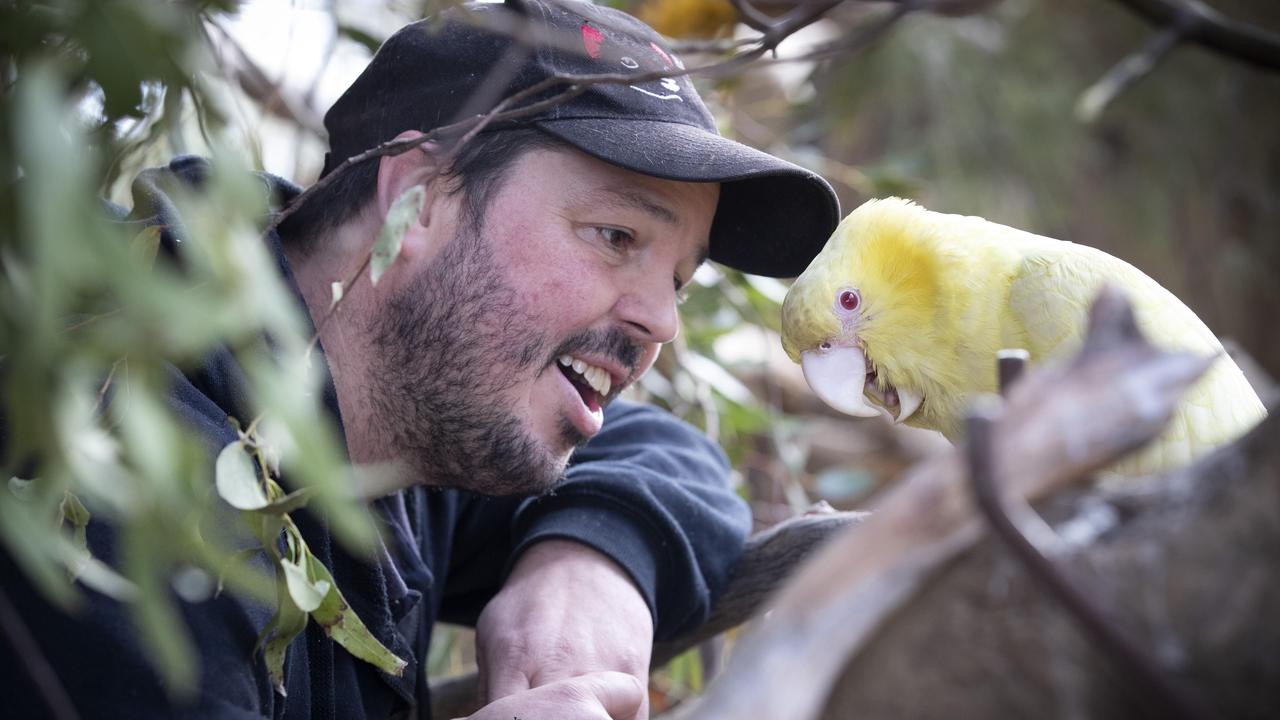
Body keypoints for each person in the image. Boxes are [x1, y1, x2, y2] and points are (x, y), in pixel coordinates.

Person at [0, 0, 839, 718]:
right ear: (416, 199)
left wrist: (593, 558)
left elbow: (662, 452)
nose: (658, 322)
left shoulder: (410, 418)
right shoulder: (132, 508)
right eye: (616, 237)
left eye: (679, 284)